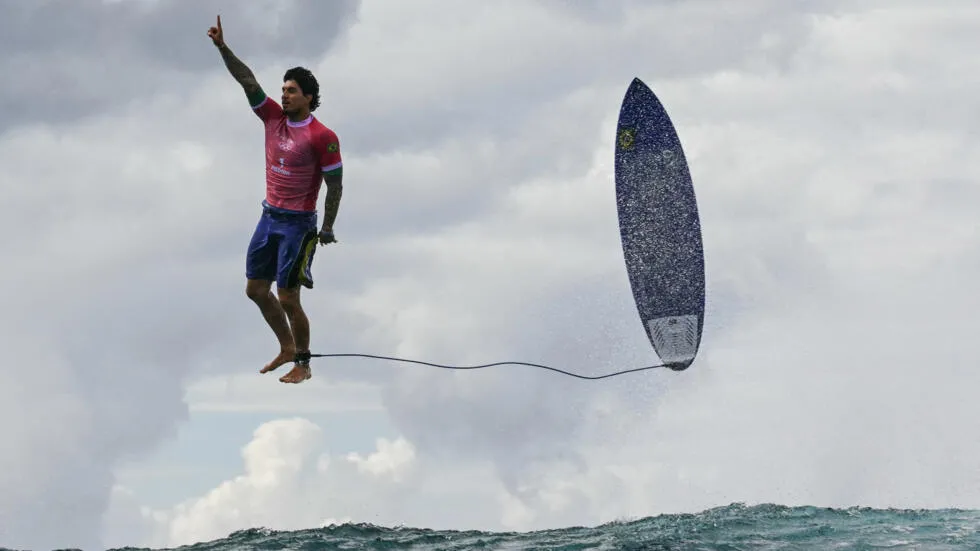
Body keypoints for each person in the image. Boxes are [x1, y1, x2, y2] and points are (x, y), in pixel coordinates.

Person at [207, 15, 344, 384]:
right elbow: (248, 81)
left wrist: (328, 227)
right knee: (255, 289)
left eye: (292, 90)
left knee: (287, 297)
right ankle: (286, 346)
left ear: (308, 97)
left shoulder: (322, 136)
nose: (284, 95)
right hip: (269, 217)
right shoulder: (272, 118)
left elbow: (335, 185)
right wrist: (223, 48)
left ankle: (303, 363)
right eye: (283, 89)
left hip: (298, 225)